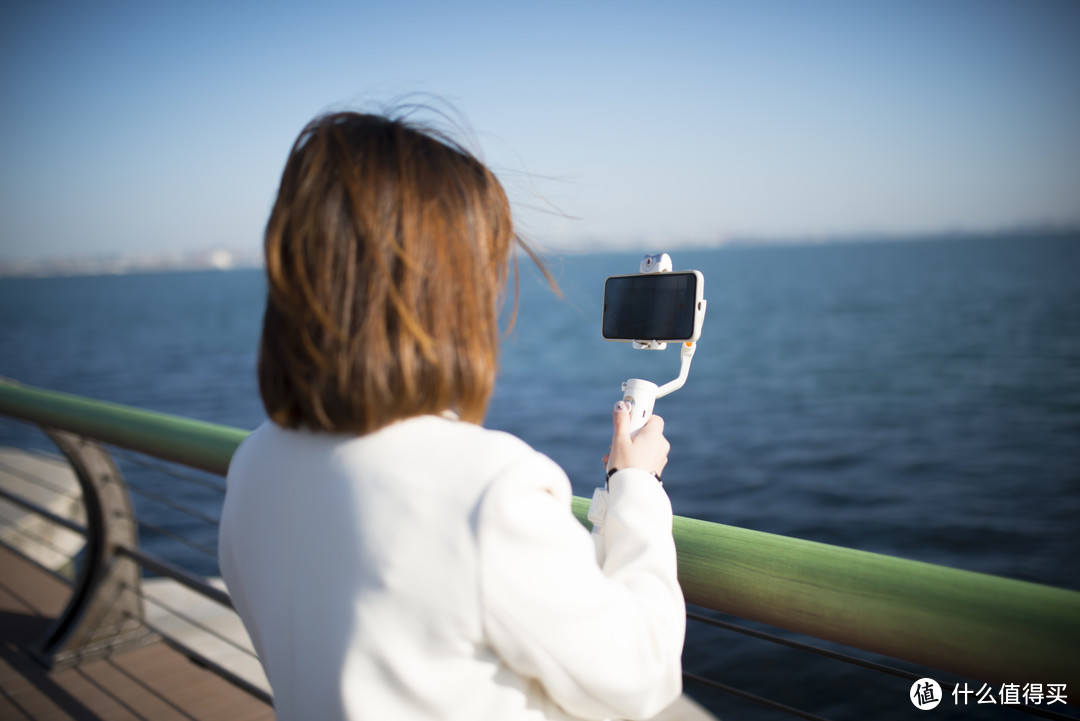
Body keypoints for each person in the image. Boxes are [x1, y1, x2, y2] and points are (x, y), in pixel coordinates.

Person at [218, 110, 685, 721]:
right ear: (447, 290)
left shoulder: (255, 462)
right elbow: (643, 675)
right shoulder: (483, 490)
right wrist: (637, 488)